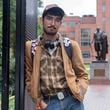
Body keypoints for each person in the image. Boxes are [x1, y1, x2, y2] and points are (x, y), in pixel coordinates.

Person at [25, 4, 88, 110]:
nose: (53, 23)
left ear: (60, 23)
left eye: (57, 20)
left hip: (72, 101)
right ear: (42, 20)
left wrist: (78, 92)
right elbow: (29, 78)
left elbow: (82, 74)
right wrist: (39, 101)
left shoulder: (71, 45)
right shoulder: (31, 47)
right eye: (49, 18)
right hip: (50, 104)